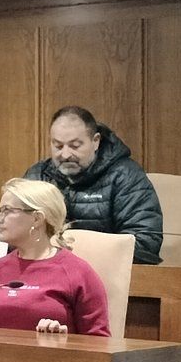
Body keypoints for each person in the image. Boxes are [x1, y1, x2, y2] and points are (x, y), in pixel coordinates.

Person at [23, 106, 163, 264]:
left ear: (95, 141)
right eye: (58, 146)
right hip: (45, 274)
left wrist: (79, 256)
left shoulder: (125, 176)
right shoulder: (38, 176)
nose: (66, 154)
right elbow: (15, 235)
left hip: (107, 274)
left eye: (75, 146)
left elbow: (145, 243)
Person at [0, 179, 110, 336]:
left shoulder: (77, 272)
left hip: (53, 359)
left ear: (37, 218)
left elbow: (99, 343)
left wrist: (64, 340)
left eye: (7, 210)